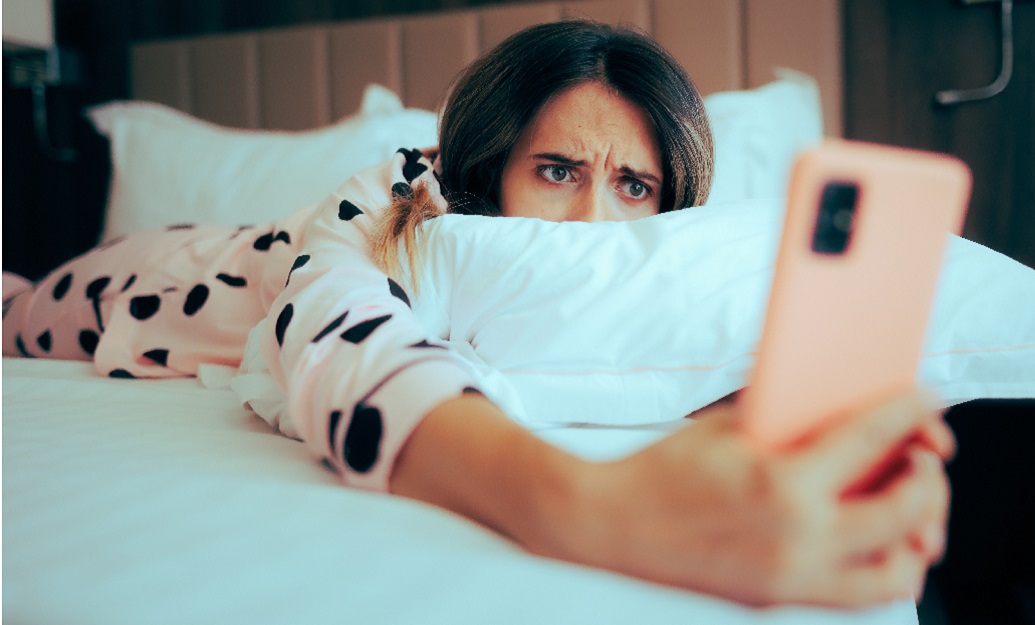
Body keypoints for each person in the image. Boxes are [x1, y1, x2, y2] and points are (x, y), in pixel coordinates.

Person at [1, 20, 953, 608]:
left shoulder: (672, 262)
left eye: (633, 185)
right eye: (557, 171)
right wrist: (592, 506)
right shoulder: (403, 198)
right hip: (143, 281)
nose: (592, 219)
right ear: (489, 168)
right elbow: (334, 336)